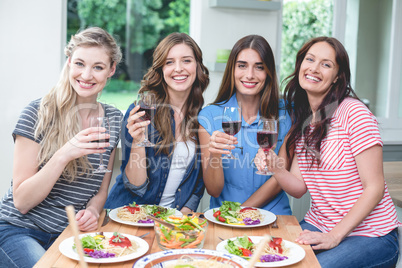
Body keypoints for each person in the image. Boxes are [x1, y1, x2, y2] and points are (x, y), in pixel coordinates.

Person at [255, 36, 400, 267]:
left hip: (371, 236)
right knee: (259, 256)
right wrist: (275, 167)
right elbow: (298, 188)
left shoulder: (354, 113)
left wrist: (335, 236)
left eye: (326, 64)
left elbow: (375, 187)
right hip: (319, 226)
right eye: (309, 59)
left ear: (337, 77)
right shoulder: (305, 123)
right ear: (300, 65)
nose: (314, 68)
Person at [0, 27, 123, 267]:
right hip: (20, 230)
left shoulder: (113, 119)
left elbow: (101, 188)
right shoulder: (38, 113)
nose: (86, 75)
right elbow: (22, 201)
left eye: (98, 67)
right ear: (68, 63)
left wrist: (92, 210)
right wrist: (64, 154)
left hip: (68, 235)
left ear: (112, 70)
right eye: (79, 63)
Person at [105, 33, 209, 214]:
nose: (178, 68)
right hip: (129, 216)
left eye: (186, 61)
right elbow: (136, 186)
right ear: (161, 69)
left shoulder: (203, 117)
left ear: (197, 66)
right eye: (169, 62)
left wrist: (181, 219)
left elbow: (198, 182)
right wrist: (137, 141)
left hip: (170, 222)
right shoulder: (141, 112)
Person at [198, 35, 292, 214]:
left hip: (274, 215)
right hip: (224, 216)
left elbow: (278, 180)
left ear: (269, 72)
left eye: (259, 67)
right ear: (232, 69)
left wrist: (240, 213)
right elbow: (214, 190)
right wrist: (215, 155)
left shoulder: (286, 114)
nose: (250, 75)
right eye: (242, 65)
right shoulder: (210, 116)